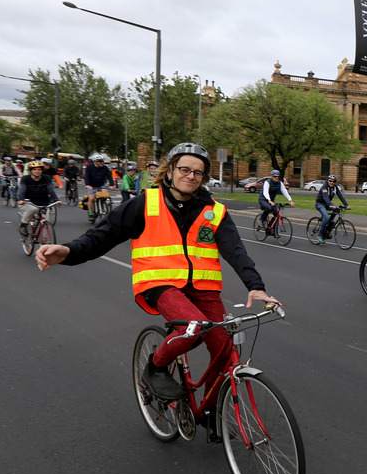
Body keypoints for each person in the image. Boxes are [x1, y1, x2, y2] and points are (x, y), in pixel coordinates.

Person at [34, 143, 283, 400]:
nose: (191, 176)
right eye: (184, 169)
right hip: (159, 284)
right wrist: (68, 251)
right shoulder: (145, 203)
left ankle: (211, 411)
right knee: (193, 327)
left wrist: (256, 286)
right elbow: (102, 236)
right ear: (169, 172)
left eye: (198, 172)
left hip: (204, 288)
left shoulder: (215, 211)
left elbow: (236, 251)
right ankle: (155, 367)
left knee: (224, 347)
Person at [16, 161, 60, 237]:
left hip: (43, 202)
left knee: (45, 221)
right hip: (27, 202)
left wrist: (56, 200)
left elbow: (50, 190)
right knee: (33, 209)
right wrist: (20, 199)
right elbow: (22, 189)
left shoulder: (46, 178)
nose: (37, 171)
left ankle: (45, 242)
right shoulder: (25, 179)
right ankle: (23, 225)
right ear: (30, 171)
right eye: (35, 169)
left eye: (39, 169)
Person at [313, 174, 350, 244]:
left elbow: (340, 196)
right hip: (320, 204)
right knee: (326, 217)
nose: (332, 182)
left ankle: (328, 223)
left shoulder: (335, 187)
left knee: (337, 209)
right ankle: (320, 235)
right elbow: (325, 197)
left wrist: (346, 205)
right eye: (330, 181)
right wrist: (330, 204)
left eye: (333, 181)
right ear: (328, 180)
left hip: (327, 204)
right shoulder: (324, 187)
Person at [83, 154, 116, 221]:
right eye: (100, 161)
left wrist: (111, 185)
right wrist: (88, 185)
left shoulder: (105, 168)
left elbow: (109, 176)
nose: (102, 163)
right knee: (91, 199)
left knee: (105, 195)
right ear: (95, 162)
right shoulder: (89, 167)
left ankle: (103, 208)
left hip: (101, 184)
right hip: (92, 185)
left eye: (102, 161)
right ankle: (90, 213)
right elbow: (87, 176)